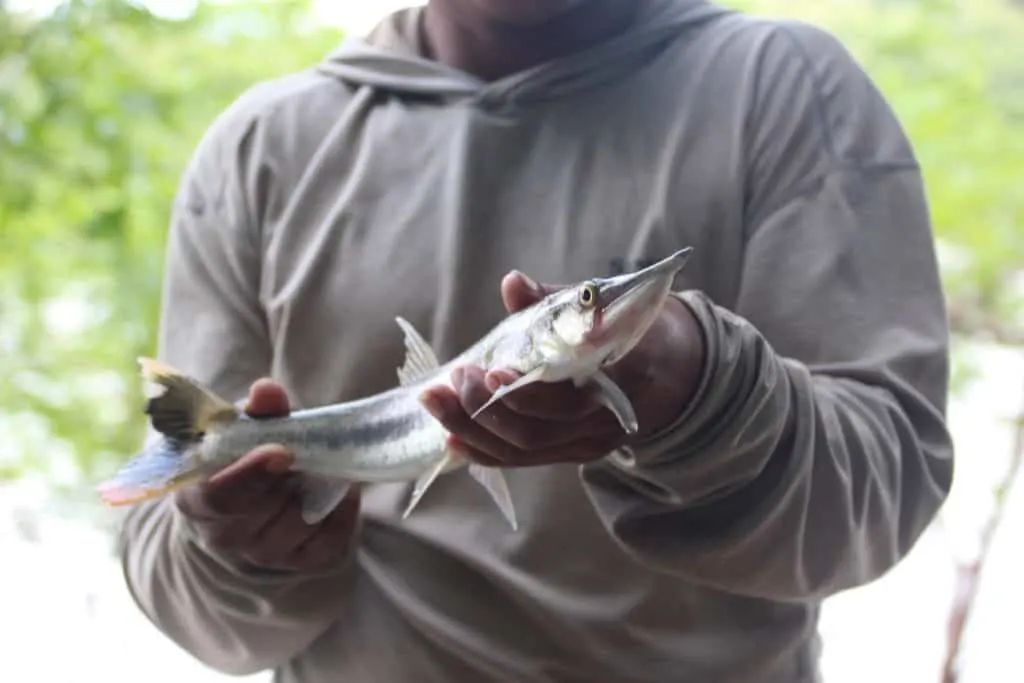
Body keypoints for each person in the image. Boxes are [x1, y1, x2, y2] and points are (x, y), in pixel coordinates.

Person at [117, 0, 955, 681]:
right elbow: (192, 603)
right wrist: (240, 550)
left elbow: (884, 498)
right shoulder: (260, 148)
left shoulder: (786, 87)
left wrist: (705, 393)